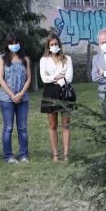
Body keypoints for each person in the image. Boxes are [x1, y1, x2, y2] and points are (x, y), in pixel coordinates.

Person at [0, 34, 31, 163]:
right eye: (11, 42)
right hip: (6, 99)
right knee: (8, 128)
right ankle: (8, 156)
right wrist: (12, 94)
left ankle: (23, 155)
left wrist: (21, 93)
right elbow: (0, 79)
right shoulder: (2, 59)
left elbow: (29, 78)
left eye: (16, 42)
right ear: (7, 44)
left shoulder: (25, 59)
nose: (14, 45)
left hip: (23, 99)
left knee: (22, 128)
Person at [39, 34, 74, 162]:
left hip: (65, 92)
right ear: (48, 46)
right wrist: (56, 76)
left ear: (59, 45)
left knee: (66, 124)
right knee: (53, 124)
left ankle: (66, 154)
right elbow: (44, 78)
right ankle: (55, 154)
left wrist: (55, 79)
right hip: (50, 92)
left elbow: (68, 77)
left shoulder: (67, 59)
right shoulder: (44, 60)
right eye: (52, 44)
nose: (54, 46)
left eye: (56, 44)